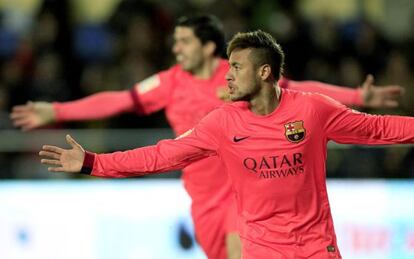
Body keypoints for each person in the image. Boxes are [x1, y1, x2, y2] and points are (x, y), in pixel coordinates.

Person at [19, 15, 404, 259]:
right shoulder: (191, 100)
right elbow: (159, 152)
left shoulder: (306, 107)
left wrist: (355, 97)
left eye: (184, 41)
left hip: (277, 229)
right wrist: (88, 156)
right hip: (206, 203)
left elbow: (376, 127)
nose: (229, 76)